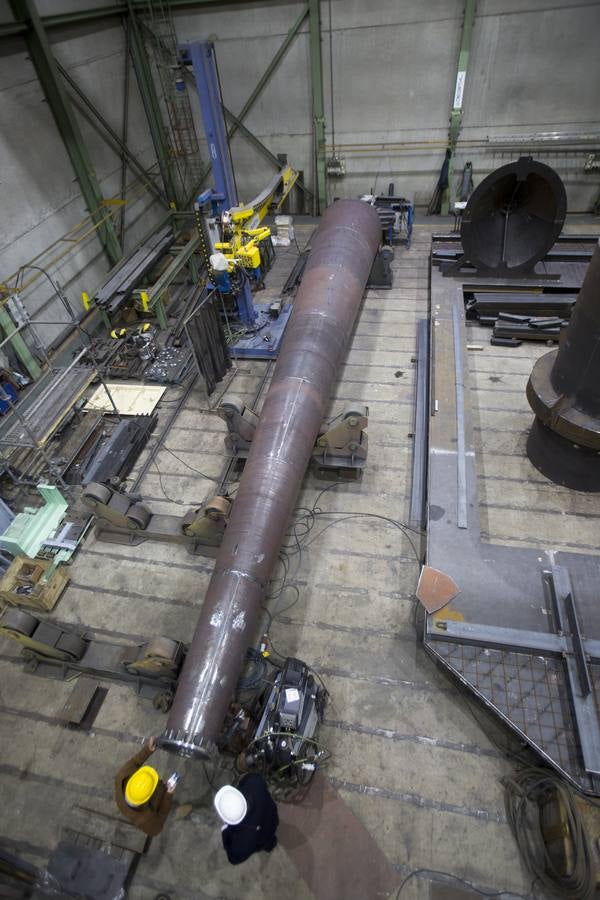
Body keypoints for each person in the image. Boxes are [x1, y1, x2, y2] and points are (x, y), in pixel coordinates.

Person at [114, 736, 176, 837]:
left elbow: (134, 762)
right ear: (147, 799)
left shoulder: (122, 776)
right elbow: (158, 825)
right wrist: (168, 796)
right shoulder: (145, 820)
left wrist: (147, 750)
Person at [214, 773, 279, 865]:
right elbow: (253, 780)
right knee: (269, 836)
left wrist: (225, 832)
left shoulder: (241, 845)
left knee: (265, 841)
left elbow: (233, 859)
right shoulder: (254, 782)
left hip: (260, 838)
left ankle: (270, 845)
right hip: (273, 818)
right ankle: (271, 843)